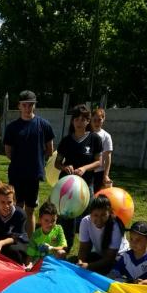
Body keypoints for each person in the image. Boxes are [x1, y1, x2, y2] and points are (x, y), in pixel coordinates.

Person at [4, 90, 54, 237]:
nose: (27, 108)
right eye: (24, 105)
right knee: (17, 208)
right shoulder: (12, 127)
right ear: (19, 106)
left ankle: (30, 242)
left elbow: (50, 150)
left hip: (33, 174)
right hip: (17, 174)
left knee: (30, 209)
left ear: (34, 106)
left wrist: (36, 160)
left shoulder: (44, 125)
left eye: (30, 105)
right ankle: (18, 238)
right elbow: (8, 152)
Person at [55, 104, 102, 251]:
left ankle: (88, 250)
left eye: (83, 119)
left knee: (89, 218)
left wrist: (84, 168)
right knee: (66, 217)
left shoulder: (95, 139)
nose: (79, 122)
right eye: (76, 119)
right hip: (67, 186)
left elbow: (99, 161)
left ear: (88, 121)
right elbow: (57, 163)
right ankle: (64, 248)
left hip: (86, 185)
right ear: (72, 121)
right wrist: (64, 167)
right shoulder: (66, 140)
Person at [77, 194, 128, 274]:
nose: (99, 219)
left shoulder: (115, 225)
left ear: (110, 213)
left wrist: (89, 266)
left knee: (99, 273)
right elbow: (83, 248)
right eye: (95, 215)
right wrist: (80, 262)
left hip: (118, 259)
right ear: (90, 214)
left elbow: (110, 258)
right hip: (101, 255)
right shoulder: (85, 221)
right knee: (74, 263)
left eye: (103, 215)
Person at [0, 183, 28, 264]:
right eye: (2, 202)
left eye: (9, 202)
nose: (6, 206)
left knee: (13, 251)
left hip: (18, 242)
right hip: (0, 241)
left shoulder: (20, 214)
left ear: (14, 201)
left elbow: (15, 238)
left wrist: (1, 243)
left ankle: (20, 268)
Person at [25, 201, 67, 270]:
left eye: (53, 221)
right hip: (40, 264)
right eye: (46, 220)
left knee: (61, 252)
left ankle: (59, 270)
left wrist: (51, 248)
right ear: (40, 220)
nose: (50, 224)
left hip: (54, 262)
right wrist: (29, 265)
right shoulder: (36, 235)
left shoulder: (58, 229)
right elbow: (30, 256)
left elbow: (64, 247)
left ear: (57, 219)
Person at [91, 108, 113, 192]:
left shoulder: (106, 136)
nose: (97, 123)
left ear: (103, 119)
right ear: (91, 120)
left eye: (99, 120)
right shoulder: (85, 133)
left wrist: (106, 175)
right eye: (94, 120)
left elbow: (108, 156)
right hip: (85, 170)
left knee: (95, 194)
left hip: (98, 172)